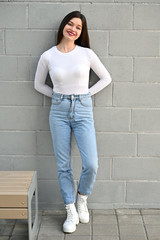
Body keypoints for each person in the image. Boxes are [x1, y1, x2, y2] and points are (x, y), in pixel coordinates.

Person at [34, 10, 112, 233]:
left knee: (91, 164)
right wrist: (59, 97)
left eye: (78, 27)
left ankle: (82, 199)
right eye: (70, 24)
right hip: (58, 111)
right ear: (63, 26)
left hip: (83, 110)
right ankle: (70, 209)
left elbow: (106, 78)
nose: (73, 29)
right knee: (63, 165)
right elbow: (38, 84)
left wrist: (85, 94)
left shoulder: (86, 53)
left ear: (81, 32)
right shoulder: (48, 56)